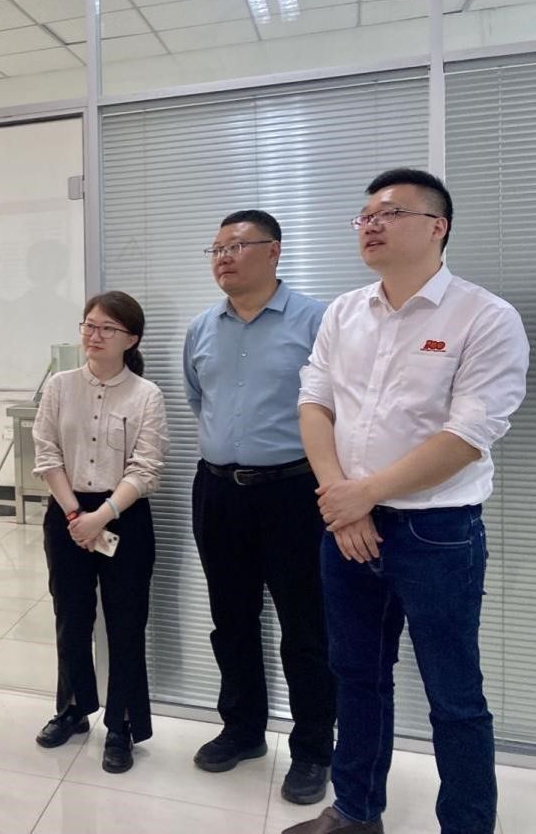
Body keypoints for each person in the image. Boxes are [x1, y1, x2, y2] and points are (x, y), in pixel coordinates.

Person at [289, 169, 528, 834]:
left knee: (454, 695)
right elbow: (314, 403)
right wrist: (344, 500)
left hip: (437, 532)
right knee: (356, 675)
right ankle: (355, 812)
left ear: (437, 227)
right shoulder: (343, 312)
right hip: (347, 525)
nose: (370, 224)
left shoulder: (485, 316)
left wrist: (362, 493)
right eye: (364, 215)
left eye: (389, 212)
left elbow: (469, 435)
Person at [183, 210, 335, 805]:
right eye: (216, 248)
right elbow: (200, 400)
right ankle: (243, 730)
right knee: (232, 618)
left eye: (237, 245)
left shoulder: (318, 321)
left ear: (274, 252)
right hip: (219, 491)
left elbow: (341, 407)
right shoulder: (201, 327)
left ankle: (314, 749)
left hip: (294, 492)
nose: (223, 257)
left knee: (306, 627)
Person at [31, 291, 168, 774]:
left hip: (124, 516)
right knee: (70, 617)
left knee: (126, 625)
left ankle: (122, 725)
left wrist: (101, 516)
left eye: (107, 328)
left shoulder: (146, 395)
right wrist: (75, 515)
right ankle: (73, 708)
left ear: (131, 339)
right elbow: (46, 452)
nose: (94, 335)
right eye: (89, 325)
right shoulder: (60, 386)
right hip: (67, 513)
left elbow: (147, 467)